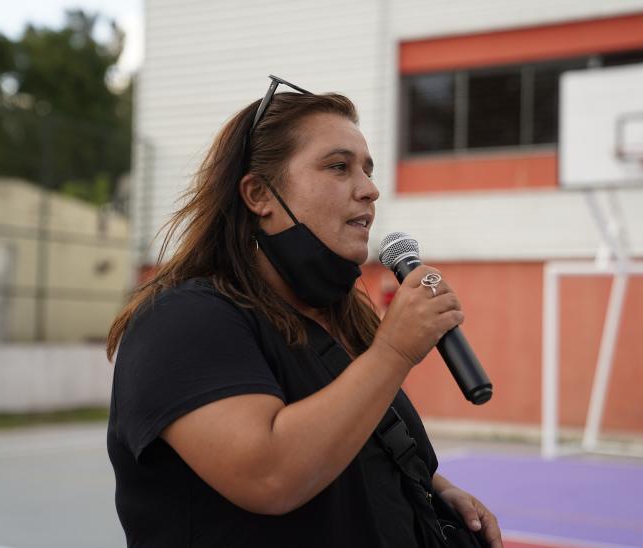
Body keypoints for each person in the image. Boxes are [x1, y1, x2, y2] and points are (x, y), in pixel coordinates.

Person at [105, 75, 503, 548]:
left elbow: (346, 442)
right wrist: (394, 349)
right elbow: (270, 473)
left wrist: (432, 490)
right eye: (338, 167)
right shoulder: (181, 322)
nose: (369, 190)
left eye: (367, 169)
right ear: (259, 196)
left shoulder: (337, 319)